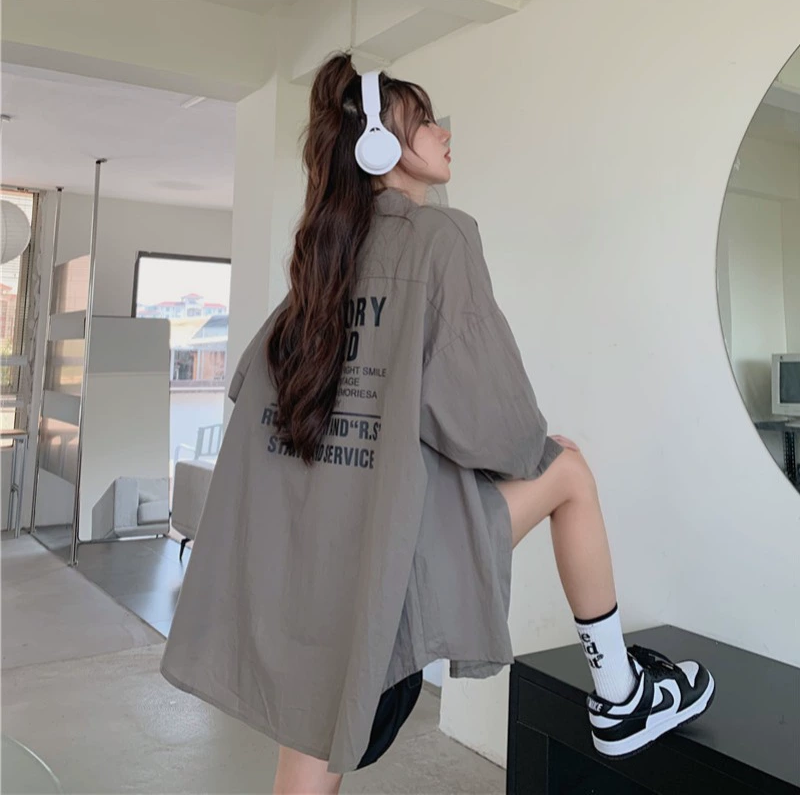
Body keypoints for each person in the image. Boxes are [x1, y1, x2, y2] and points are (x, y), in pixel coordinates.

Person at [160, 51, 715, 795]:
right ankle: (621, 698)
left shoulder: (320, 262)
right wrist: (532, 449)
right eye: (423, 122)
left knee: (309, 757)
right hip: (391, 559)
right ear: (379, 146)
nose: (442, 133)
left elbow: (252, 392)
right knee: (568, 472)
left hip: (311, 562)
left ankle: (622, 696)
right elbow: (492, 421)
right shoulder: (439, 238)